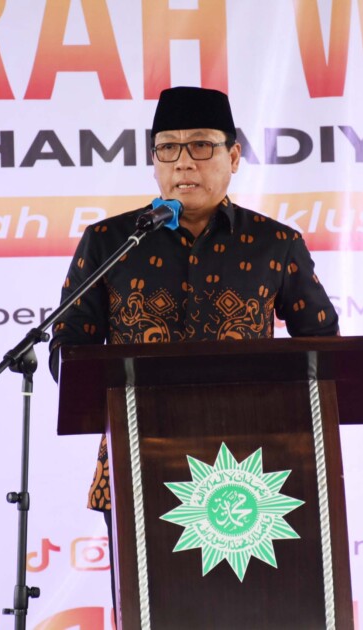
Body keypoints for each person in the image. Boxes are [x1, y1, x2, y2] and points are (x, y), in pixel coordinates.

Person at [49, 86, 338, 606]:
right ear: (154, 161)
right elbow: (67, 350)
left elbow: (324, 350)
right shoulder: (110, 242)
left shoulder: (276, 243)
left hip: (256, 473)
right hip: (138, 460)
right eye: (168, 147)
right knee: (151, 608)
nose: (184, 162)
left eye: (201, 145)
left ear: (233, 156)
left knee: (257, 612)